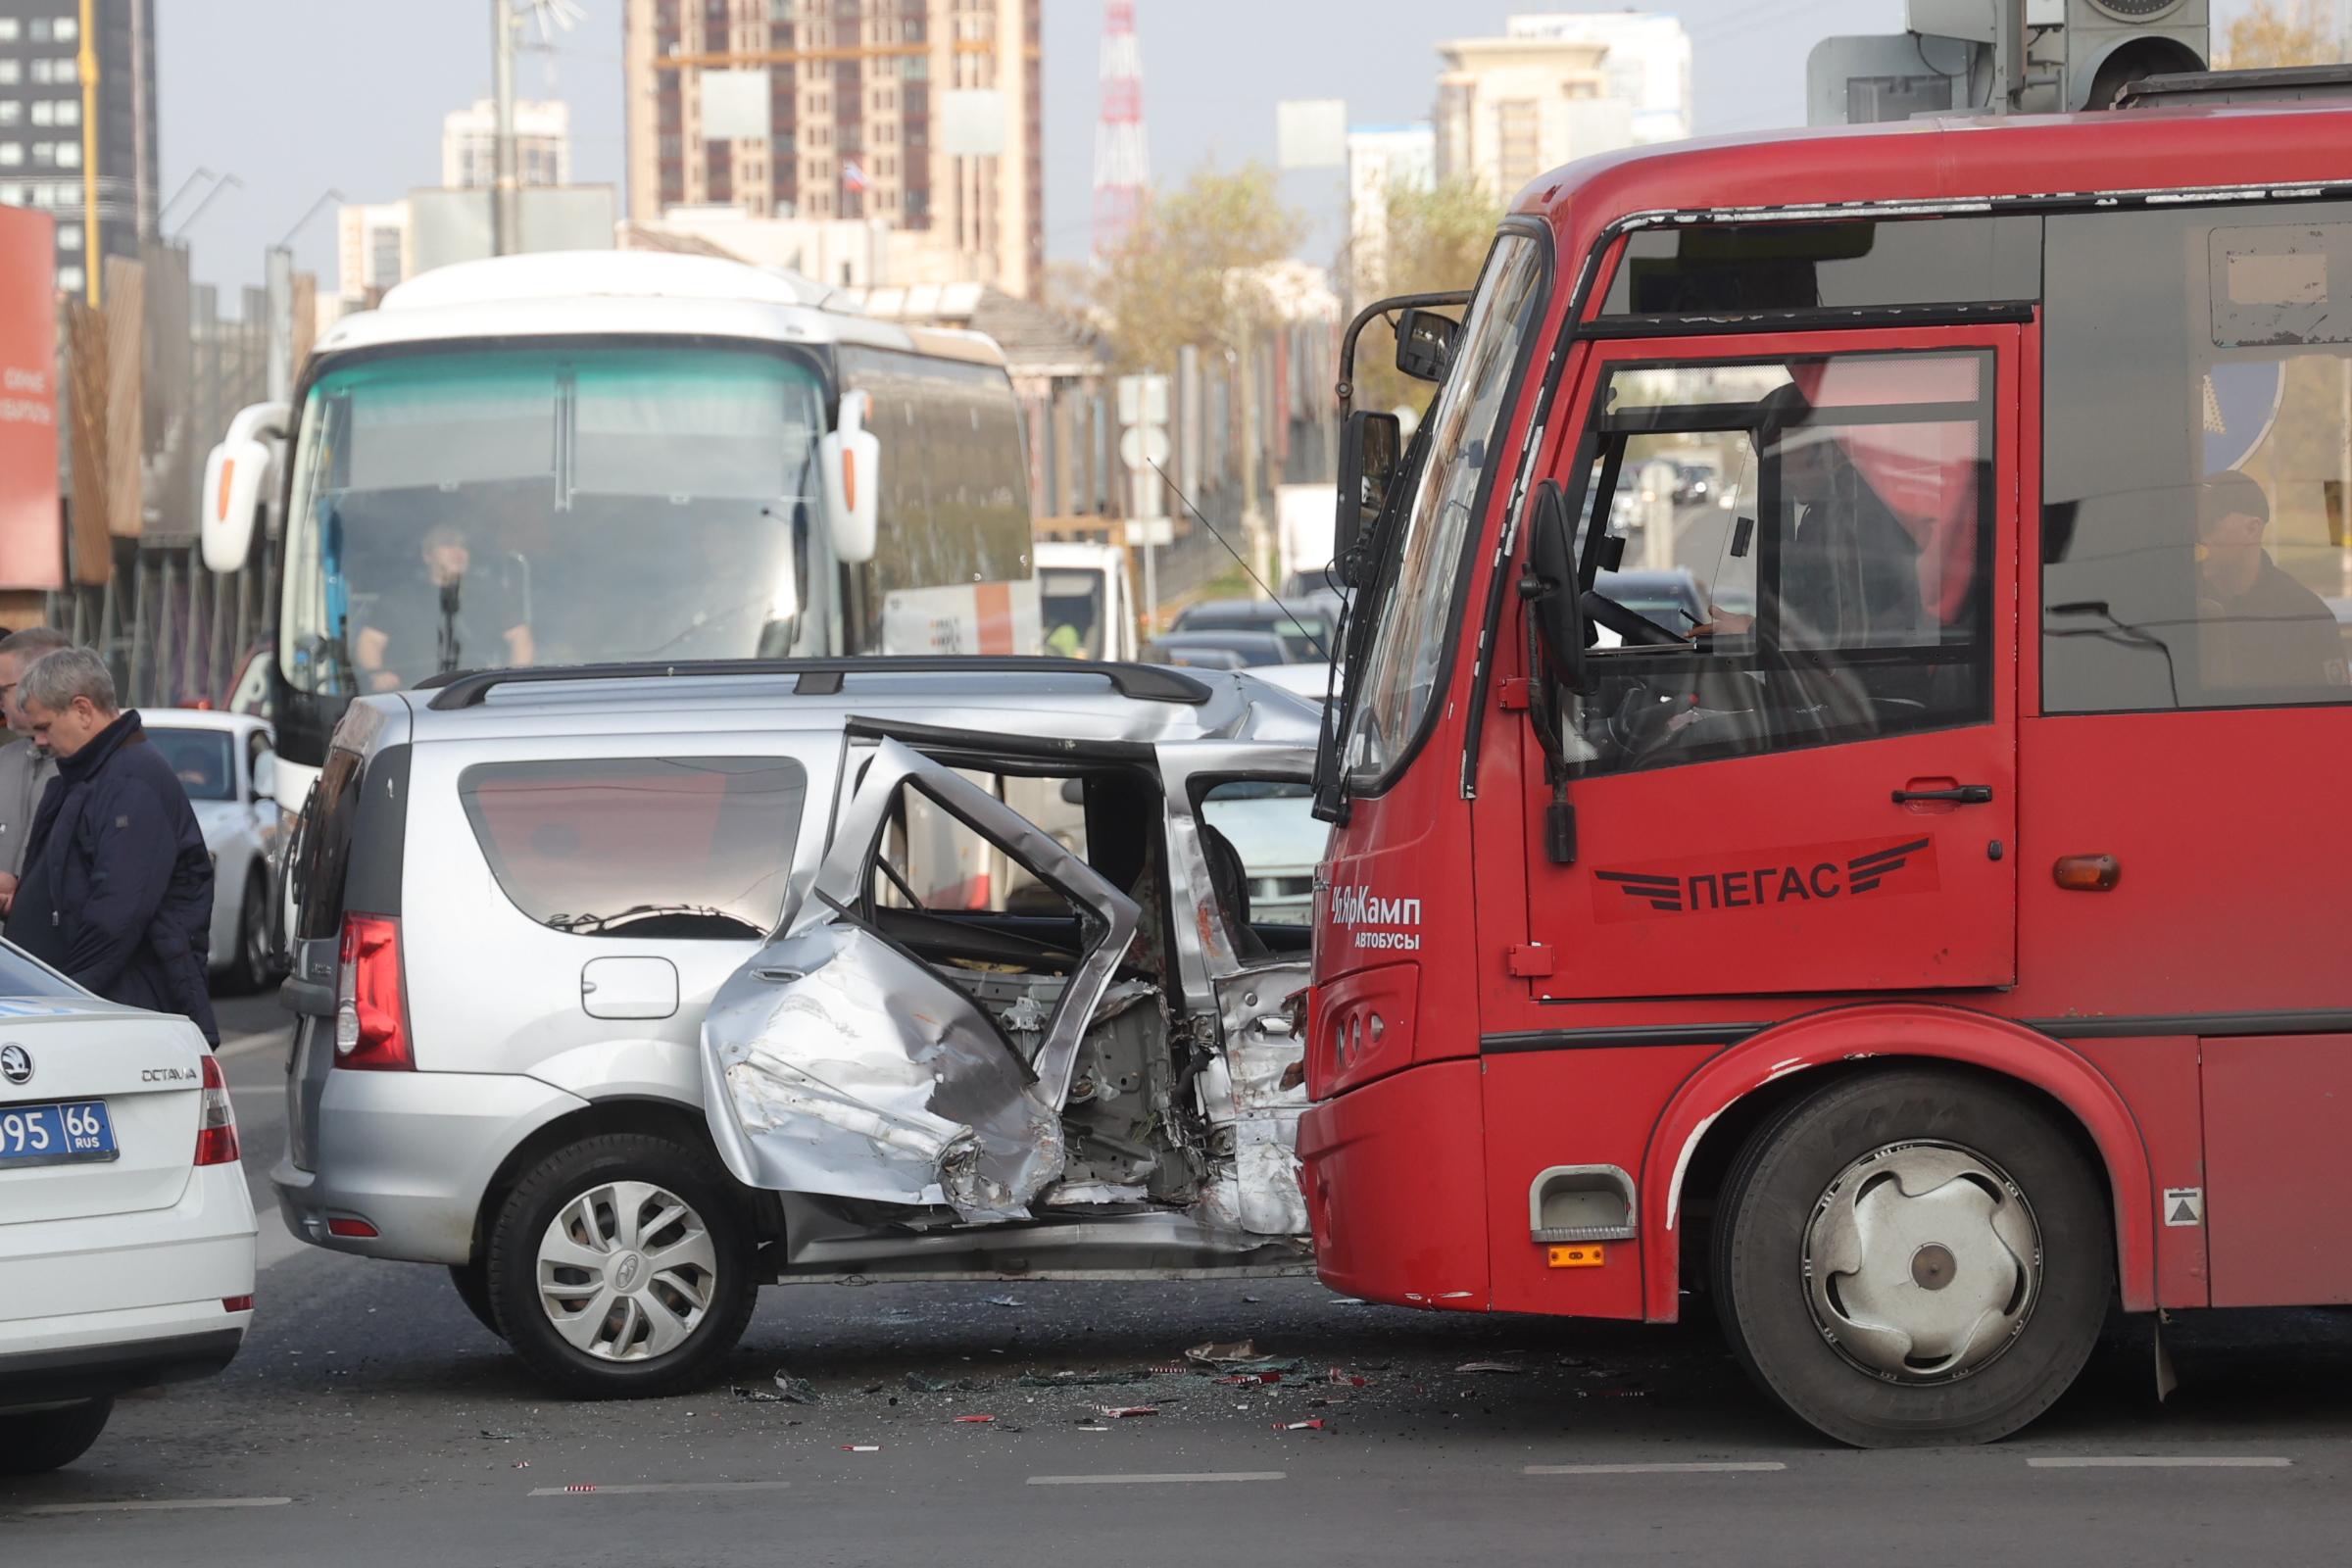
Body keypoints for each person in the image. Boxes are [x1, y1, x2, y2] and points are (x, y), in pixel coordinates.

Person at [3, 648, 219, 1047]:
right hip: (100, 1006)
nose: (40, 740)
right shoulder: (89, 775)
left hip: (125, 1009)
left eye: (45, 726)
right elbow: (72, 881)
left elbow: (118, 912)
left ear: (83, 710)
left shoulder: (130, 783)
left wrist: (65, 999)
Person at [2192, 469, 2348, 694]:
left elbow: (2332, 717)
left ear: (2252, 529)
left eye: (2209, 525)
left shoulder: (2306, 616)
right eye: (2193, 526)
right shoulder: (2177, 602)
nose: (2198, 537)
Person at [353, 520, 534, 691]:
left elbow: (520, 638)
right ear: (427, 555)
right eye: (448, 545)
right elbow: (370, 640)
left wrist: (512, 684)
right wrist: (378, 675)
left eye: (463, 547)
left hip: (479, 699)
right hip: (414, 699)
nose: (458, 552)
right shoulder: (401, 598)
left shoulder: (490, 595)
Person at [0, 625, 70, 913]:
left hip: (58, 954)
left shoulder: (97, 770)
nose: (0, 701)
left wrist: (26, 900)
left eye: (3, 689)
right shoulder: (6, 759)